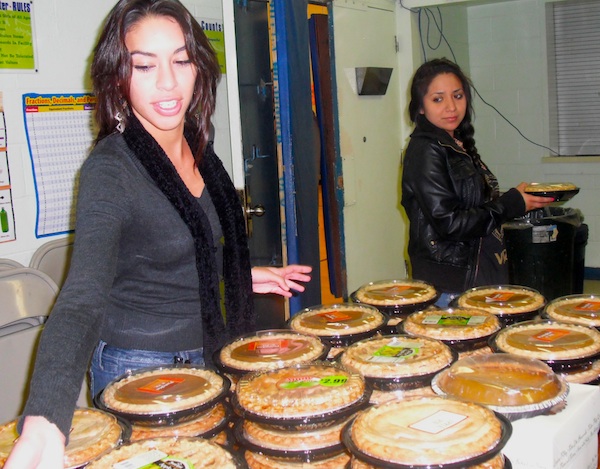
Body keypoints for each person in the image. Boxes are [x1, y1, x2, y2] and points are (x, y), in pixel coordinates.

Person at [5, 1, 311, 467]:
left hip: (210, 348)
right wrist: (45, 419)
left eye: (181, 60)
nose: (167, 82)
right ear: (116, 77)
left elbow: (178, 250)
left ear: (199, 69)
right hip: (140, 366)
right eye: (143, 65)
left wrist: (237, 276)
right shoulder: (110, 170)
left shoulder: (199, 149)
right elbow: (83, 297)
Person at [401, 58, 553, 307]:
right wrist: (511, 203)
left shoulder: (453, 143)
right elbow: (449, 223)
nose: (451, 107)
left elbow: (468, 202)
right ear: (420, 107)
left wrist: (521, 199)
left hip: (479, 270)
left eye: (458, 96)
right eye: (438, 99)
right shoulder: (426, 149)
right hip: (450, 283)